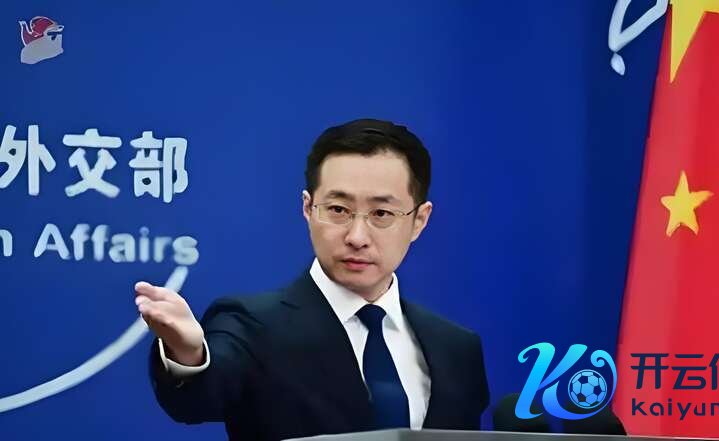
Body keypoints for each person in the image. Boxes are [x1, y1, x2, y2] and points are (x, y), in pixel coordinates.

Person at [134, 118, 490, 441]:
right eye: (338, 210)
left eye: (382, 213)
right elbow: (200, 398)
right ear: (308, 208)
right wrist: (189, 354)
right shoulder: (252, 325)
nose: (357, 236)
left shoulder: (456, 349)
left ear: (419, 221)